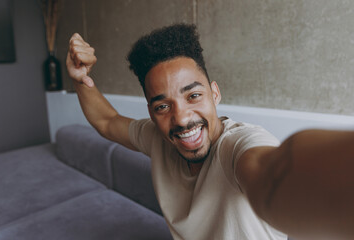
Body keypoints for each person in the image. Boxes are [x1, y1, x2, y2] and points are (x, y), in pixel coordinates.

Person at [67, 23, 354, 240]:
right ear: (151, 112)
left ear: (214, 93)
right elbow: (107, 121)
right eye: (163, 106)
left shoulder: (238, 146)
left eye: (193, 96)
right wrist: (81, 79)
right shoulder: (157, 137)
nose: (181, 119)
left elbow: (274, 174)